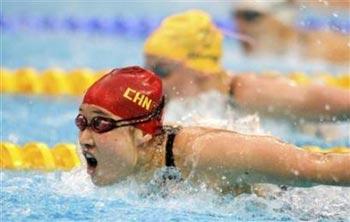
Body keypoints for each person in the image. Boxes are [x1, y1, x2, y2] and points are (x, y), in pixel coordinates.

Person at [77, 66, 350, 194]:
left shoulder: (207, 154)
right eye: (82, 122)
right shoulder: (120, 162)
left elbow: (315, 166)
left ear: (142, 134)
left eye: (100, 123)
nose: (85, 139)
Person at [144, 10, 350, 121]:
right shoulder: (185, 103)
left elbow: (315, 98)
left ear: (202, 69)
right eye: (148, 69)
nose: (152, 81)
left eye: (162, 70)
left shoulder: (248, 92)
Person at [232, 0, 350, 64]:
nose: (240, 24)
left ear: (280, 19)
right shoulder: (246, 57)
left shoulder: (323, 49)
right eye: (236, 16)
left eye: (250, 16)